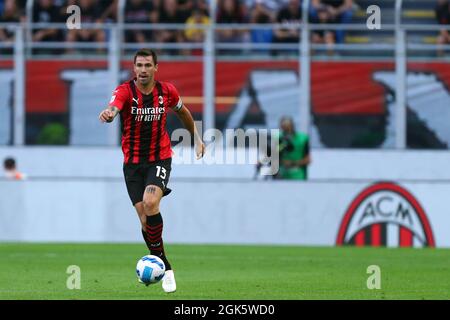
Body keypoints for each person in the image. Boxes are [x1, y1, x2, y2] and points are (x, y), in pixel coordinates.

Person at [98, 49, 205, 293]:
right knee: (146, 222)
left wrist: (196, 137)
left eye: (148, 65)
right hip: (133, 164)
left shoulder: (167, 91)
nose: (143, 70)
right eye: (139, 65)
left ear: (156, 67)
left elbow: (184, 112)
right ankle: (165, 265)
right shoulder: (125, 90)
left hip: (159, 158)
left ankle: (163, 269)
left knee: (150, 202)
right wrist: (109, 113)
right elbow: (114, 106)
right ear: (134, 68)